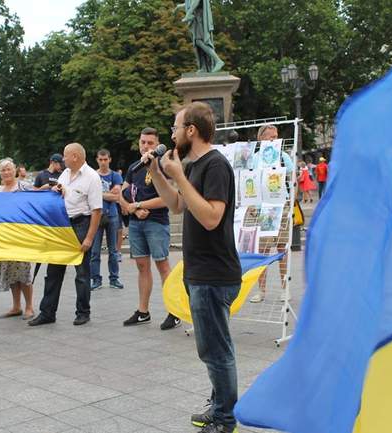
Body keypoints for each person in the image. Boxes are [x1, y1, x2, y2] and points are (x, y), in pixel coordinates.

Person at [148, 102, 240, 433]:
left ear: (191, 130)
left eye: (175, 127)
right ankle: (218, 406)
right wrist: (160, 174)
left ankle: (225, 419)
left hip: (214, 274)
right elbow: (176, 205)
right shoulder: (195, 166)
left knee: (216, 352)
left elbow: (212, 217)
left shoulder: (215, 165)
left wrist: (178, 175)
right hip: (200, 273)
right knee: (211, 348)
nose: (171, 134)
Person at [29, 143, 102, 327]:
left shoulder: (92, 177)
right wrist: (57, 190)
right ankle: (47, 312)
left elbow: (96, 211)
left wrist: (89, 238)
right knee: (53, 271)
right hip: (62, 225)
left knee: (82, 273)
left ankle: (83, 312)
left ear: (75, 156)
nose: (63, 159)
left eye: (65, 155)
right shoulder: (65, 174)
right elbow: (60, 191)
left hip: (81, 224)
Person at [119, 127, 180, 330]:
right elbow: (123, 192)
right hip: (136, 223)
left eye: (150, 143)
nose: (145, 146)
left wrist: (139, 206)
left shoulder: (163, 165)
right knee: (142, 267)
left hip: (156, 222)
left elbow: (167, 198)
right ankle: (143, 311)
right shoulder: (134, 166)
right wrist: (133, 210)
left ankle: (175, 311)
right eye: (143, 142)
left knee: (163, 266)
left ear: (157, 145)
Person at [0, 158, 34, 320]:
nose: (6, 172)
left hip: (21, 236)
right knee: (11, 272)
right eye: (3, 170)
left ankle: (29, 306)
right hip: (4, 238)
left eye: (9, 169)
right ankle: (16, 306)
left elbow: (39, 198)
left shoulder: (24, 186)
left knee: (23, 272)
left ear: (15, 170)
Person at [249, 125, 293, 304]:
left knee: (282, 248)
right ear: (261, 139)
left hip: (281, 206)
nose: (274, 140)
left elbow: (292, 180)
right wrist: (252, 205)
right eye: (270, 137)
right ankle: (261, 290)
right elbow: (248, 182)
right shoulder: (254, 159)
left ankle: (285, 288)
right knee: (263, 250)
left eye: (276, 137)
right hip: (262, 208)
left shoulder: (283, 157)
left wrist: (290, 203)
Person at [90, 149, 124, 290]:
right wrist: (108, 193)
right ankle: (96, 279)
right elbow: (90, 195)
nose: (103, 162)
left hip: (112, 215)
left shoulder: (115, 176)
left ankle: (114, 279)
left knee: (113, 250)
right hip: (96, 215)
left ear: (109, 159)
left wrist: (100, 194)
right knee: (95, 251)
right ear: (97, 160)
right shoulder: (92, 176)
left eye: (105, 159)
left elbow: (117, 196)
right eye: (101, 159)